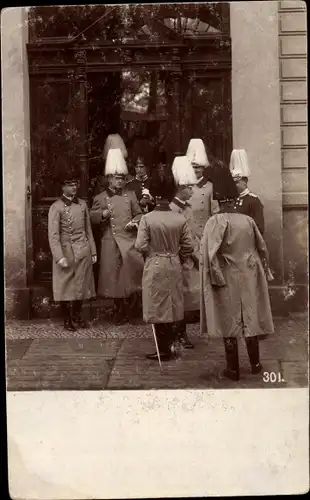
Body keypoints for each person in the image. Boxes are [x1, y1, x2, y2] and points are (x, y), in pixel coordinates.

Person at [200, 164, 274, 381]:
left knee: (229, 320)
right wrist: (263, 271)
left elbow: (207, 254)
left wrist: (215, 276)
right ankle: (256, 364)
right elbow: (262, 248)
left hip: (226, 277)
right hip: (250, 275)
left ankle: (233, 370)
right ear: (233, 199)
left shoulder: (215, 222)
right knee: (250, 318)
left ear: (219, 200)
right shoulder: (248, 221)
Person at [135, 176, 195, 361]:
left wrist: (152, 253)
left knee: (156, 304)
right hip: (174, 263)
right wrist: (179, 258)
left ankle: (163, 350)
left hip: (155, 262)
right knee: (172, 303)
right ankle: (171, 345)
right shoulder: (179, 218)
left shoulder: (147, 218)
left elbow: (140, 245)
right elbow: (189, 246)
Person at [90, 148, 144, 324]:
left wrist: (134, 222)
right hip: (110, 241)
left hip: (128, 239)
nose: (120, 181)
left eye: (122, 178)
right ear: (109, 179)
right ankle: (119, 309)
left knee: (129, 276)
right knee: (113, 279)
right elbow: (92, 217)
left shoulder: (131, 195)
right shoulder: (101, 197)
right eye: (116, 178)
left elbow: (139, 214)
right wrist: (103, 214)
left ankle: (128, 309)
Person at [48, 173, 97, 331]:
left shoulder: (82, 204)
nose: (74, 187)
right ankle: (66, 319)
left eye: (75, 184)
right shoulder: (56, 207)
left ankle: (76, 316)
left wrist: (93, 251)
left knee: (81, 285)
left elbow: (88, 230)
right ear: (63, 187)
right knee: (64, 286)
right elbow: (53, 235)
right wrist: (58, 256)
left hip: (83, 249)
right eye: (70, 184)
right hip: (66, 251)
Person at [169, 155, 201, 349]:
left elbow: (194, 234)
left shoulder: (187, 209)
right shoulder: (172, 210)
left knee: (186, 298)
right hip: (178, 259)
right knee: (176, 298)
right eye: (189, 187)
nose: (192, 190)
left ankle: (182, 333)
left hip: (189, 259)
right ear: (181, 188)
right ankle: (176, 335)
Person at [186, 138, 219, 238]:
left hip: (204, 235)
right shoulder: (184, 188)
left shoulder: (210, 187)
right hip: (187, 236)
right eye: (192, 167)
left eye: (197, 167)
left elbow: (215, 215)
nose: (195, 170)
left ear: (203, 168)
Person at [229, 149, 265, 235]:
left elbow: (259, 228)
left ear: (245, 181)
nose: (234, 185)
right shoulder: (230, 200)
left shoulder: (253, 201)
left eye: (237, 183)